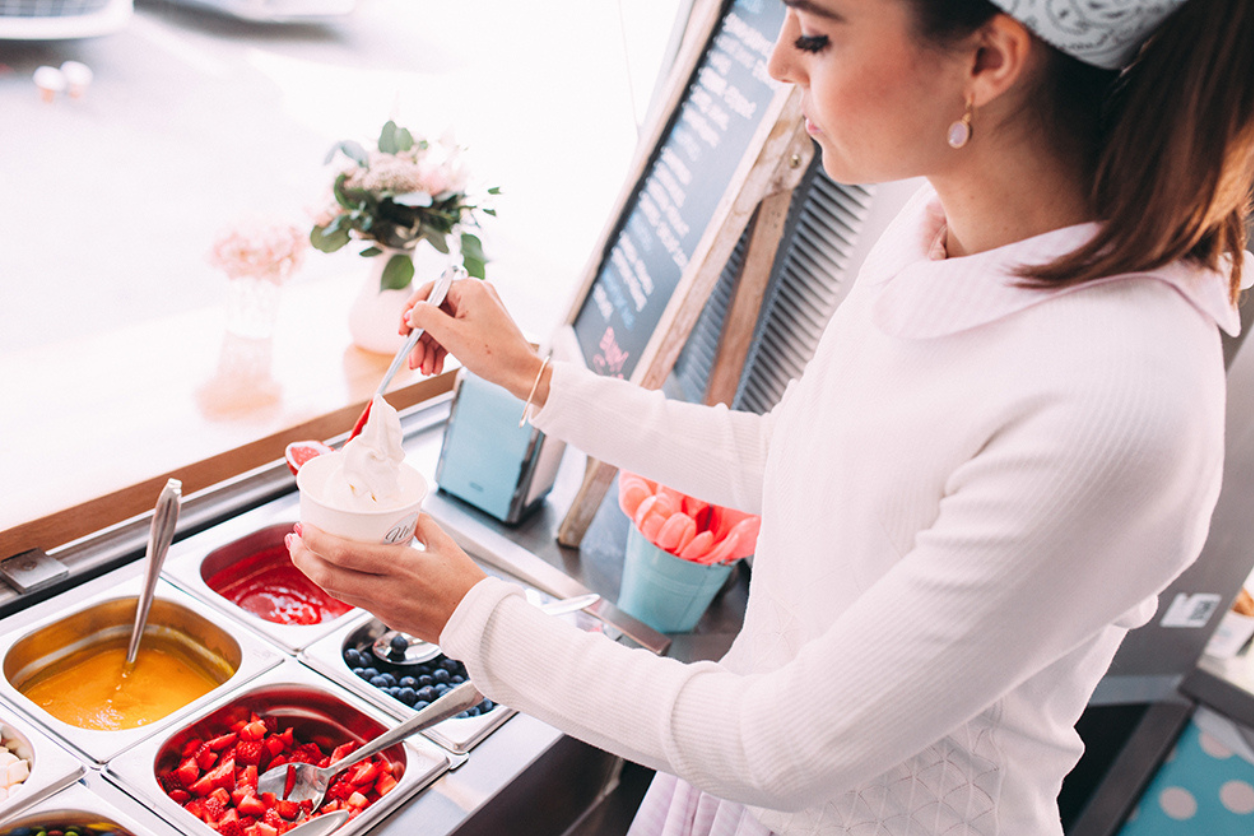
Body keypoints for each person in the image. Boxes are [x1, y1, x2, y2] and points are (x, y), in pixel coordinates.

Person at [286, 0, 1254, 833]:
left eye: (819, 34)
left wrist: (467, 612)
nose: (777, 58)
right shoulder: (942, 233)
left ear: (987, 60)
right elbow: (805, 460)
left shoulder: (1119, 401)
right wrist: (535, 378)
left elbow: (787, 745)